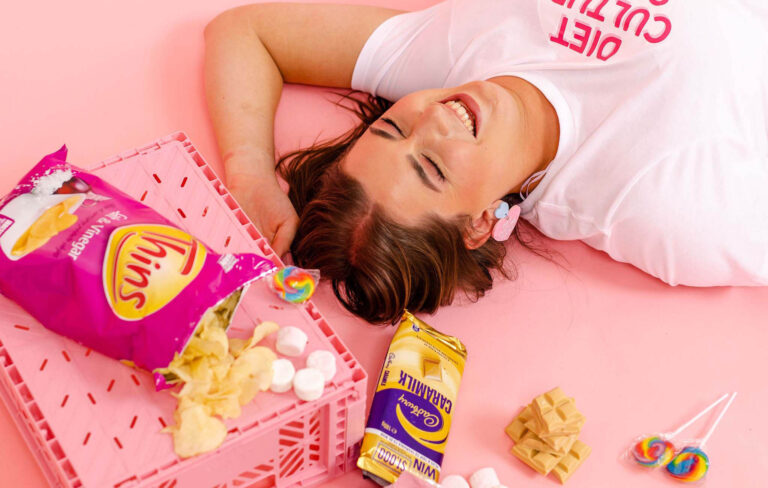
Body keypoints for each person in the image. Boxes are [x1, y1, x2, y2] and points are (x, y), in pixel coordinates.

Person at [203, 1, 768, 324]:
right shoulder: (657, 207)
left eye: (391, 128)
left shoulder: (444, 61)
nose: (433, 118)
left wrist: (249, 173)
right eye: (433, 168)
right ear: (479, 224)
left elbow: (245, 32)